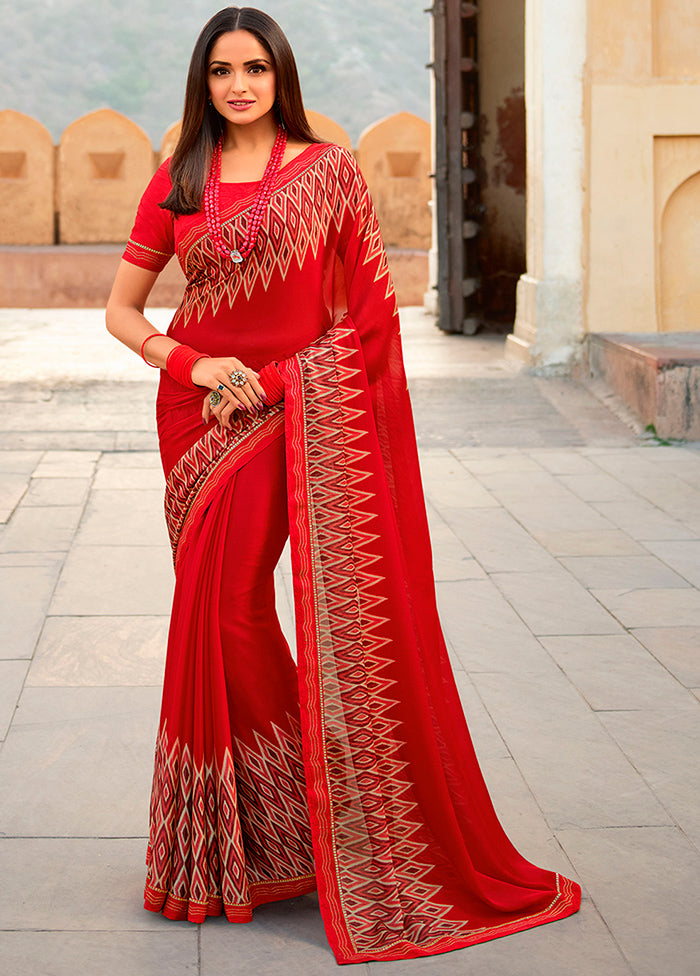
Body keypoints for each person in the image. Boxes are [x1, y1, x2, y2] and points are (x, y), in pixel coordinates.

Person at [106, 6, 580, 965]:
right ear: (203, 82)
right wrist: (187, 364)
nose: (239, 86)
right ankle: (263, 839)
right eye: (222, 71)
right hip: (196, 421)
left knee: (235, 612)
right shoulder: (179, 180)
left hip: (289, 418)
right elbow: (120, 310)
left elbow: (363, 324)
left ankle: (328, 808)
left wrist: (282, 382)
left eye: (256, 69)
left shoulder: (327, 174)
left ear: (282, 77)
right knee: (209, 613)